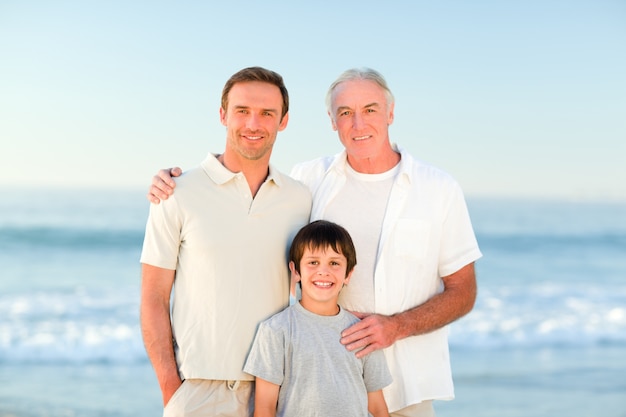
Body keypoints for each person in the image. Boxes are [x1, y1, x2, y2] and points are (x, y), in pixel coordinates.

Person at [148, 68, 482, 417]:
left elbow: (463, 291)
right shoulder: (309, 181)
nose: (358, 124)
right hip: (316, 389)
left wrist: (396, 327)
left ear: (391, 113)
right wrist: (170, 182)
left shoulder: (439, 189)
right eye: (344, 113)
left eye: (370, 109)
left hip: (409, 385)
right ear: (332, 121)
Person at [139, 66, 312, 417]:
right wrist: (173, 391)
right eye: (242, 111)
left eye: (267, 113)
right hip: (199, 393)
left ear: (284, 121)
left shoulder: (301, 199)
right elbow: (153, 298)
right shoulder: (176, 193)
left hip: (277, 390)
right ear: (223, 115)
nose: (253, 124)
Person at [243, 220, 392, 417]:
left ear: (348, 274)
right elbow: (264, 408)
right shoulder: (276, 330)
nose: (323, 271)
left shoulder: (362, 333)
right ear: (296, 271)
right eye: (313, 262)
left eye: (334, 263)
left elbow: (378, 407)